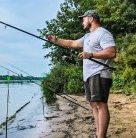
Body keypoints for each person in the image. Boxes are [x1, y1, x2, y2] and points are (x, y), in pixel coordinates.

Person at [46, 10, 116, 138]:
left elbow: (111, 53)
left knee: (101, 104)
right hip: (89, 75)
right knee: (94, 105)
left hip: (99, 73)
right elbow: (73, 43)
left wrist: (91, 54)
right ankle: (98, 134)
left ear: (91, 19)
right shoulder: (87, 36)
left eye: (83, 19)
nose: (82, 22)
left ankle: (102, 136)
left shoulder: (103, 33)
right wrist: (56, 40)